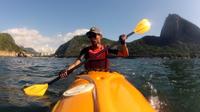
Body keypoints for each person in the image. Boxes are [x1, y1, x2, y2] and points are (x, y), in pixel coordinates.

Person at [59, 27, 129, 78]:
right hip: (89, 76)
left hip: (104, 75)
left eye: (94, 35)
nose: (92, 38)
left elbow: (125, 54)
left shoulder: (106, 48)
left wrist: (123, 43)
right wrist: (66, 70)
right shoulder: (86, 50)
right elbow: (76, 64)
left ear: (100, 36)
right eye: (90, 36)